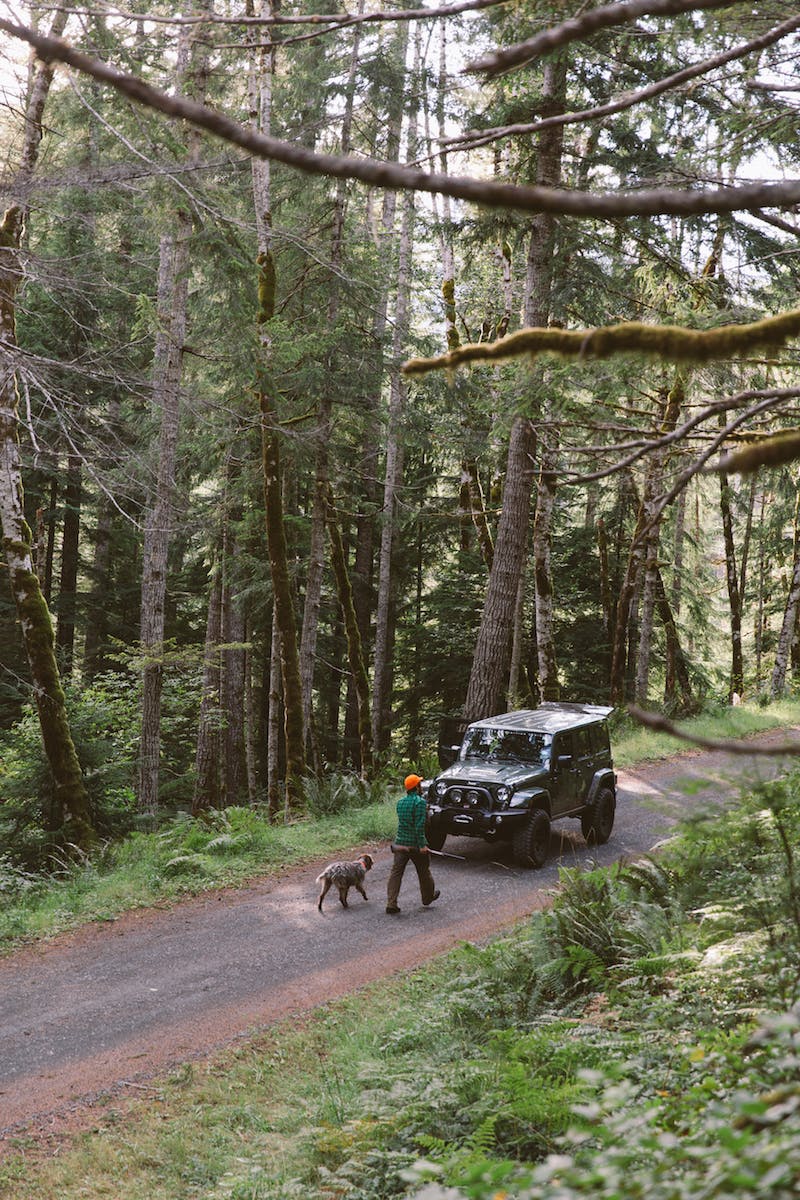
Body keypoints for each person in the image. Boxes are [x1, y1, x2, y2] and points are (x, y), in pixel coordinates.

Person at [386, 773, 440, 914]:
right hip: (414, 844)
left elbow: (405, 823)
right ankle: (427, 897)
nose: (421, 786)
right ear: (416, 787)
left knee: (396, 873)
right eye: (419, 784)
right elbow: (419, 825)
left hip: (400, 843)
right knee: (424, 872)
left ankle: (391, 903)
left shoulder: (400, 803)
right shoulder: (420, 802)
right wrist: (422, 845)